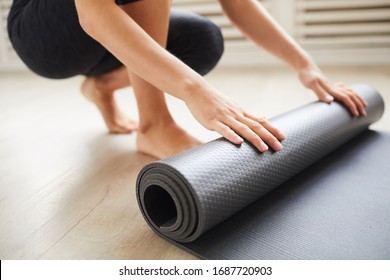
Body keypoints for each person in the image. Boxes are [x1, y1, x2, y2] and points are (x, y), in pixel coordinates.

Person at [7, 0, 367, 159]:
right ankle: (155, 125)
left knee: (203, 40)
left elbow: (238, 3)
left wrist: (305, 65)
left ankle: (102, 86)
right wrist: (196, 92)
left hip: (103, 40)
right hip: (45, 36)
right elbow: (94, 14)